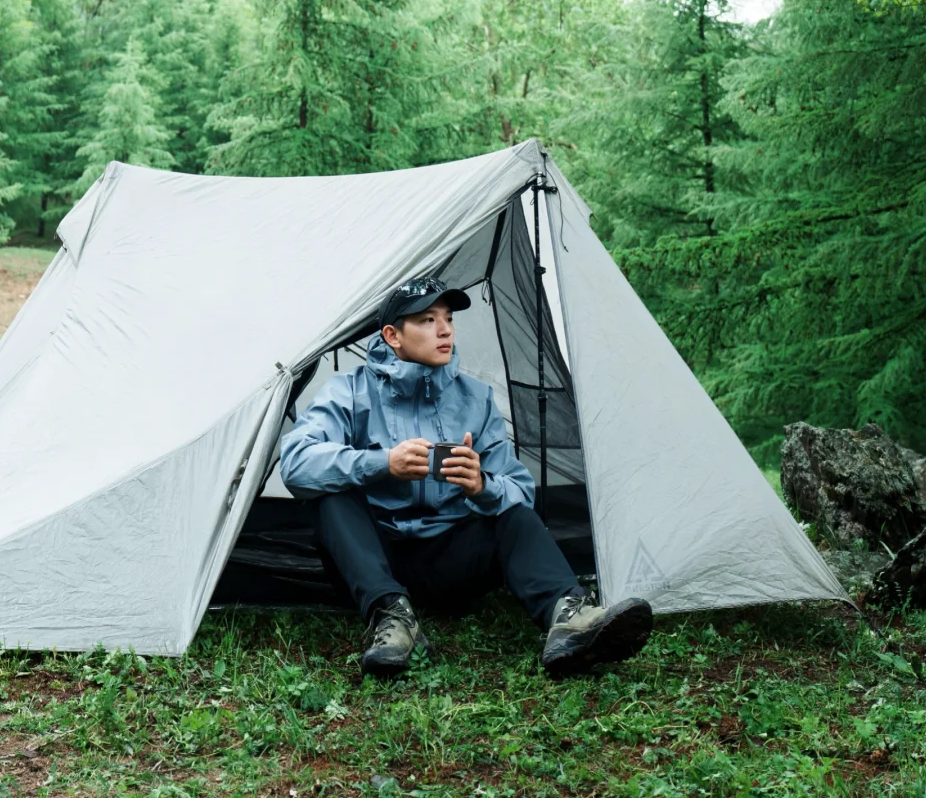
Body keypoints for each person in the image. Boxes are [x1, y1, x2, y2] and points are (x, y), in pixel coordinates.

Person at [280, 274, 653, 678]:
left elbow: (520, 492)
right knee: (330, 496)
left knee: (513, 513)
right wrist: (383, 463)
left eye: (448, 318)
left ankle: (569, 619)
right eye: (426, 320)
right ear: (392, 335)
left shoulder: (474, 398)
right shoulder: (349, 392)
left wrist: (482, 486)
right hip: (373, 561)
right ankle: (393, 620)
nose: (444, 330)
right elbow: (297, 463)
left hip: (451, 561)